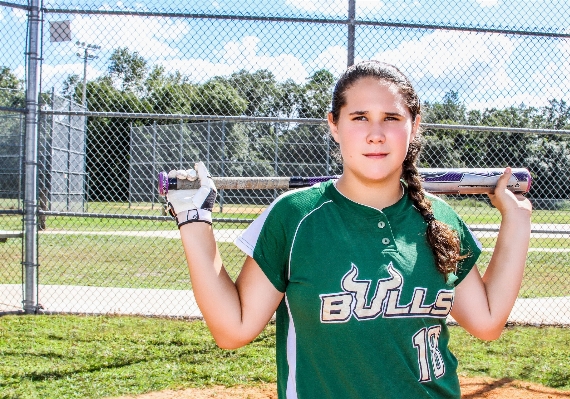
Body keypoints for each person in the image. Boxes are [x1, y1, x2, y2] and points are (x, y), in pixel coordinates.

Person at [165, 60, 532, 399]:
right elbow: (234, 328)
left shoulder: (441, 219)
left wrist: (517, 222)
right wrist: (194, 220)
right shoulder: (296, 216)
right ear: (334, 126)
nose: (376, 133)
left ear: (414, 125)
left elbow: (486, 321)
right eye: (359, 117)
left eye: (391, 117)